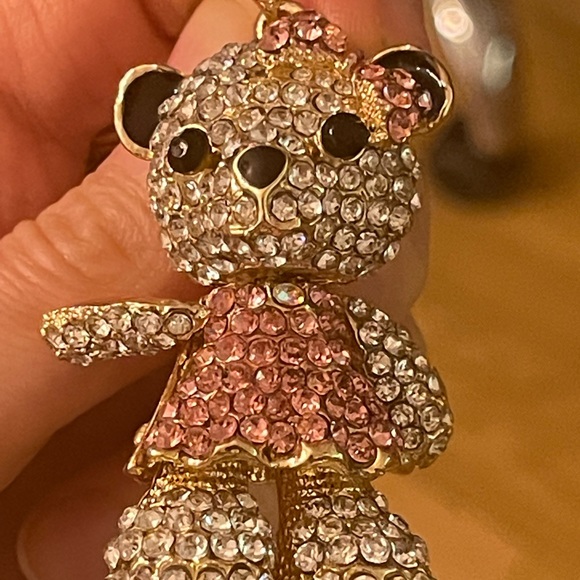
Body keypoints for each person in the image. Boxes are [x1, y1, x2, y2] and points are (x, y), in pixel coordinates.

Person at [0, 0, 431, 578]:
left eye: (342, 138)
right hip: (212, 424)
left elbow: (384, 347)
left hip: (330, 429)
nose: (260, 170)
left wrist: (416, 410)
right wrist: (90, 325)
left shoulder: (339, 314)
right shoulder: (230, 311)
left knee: (338, 516)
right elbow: (168, 322)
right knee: (198, 515)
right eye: (194, 150)